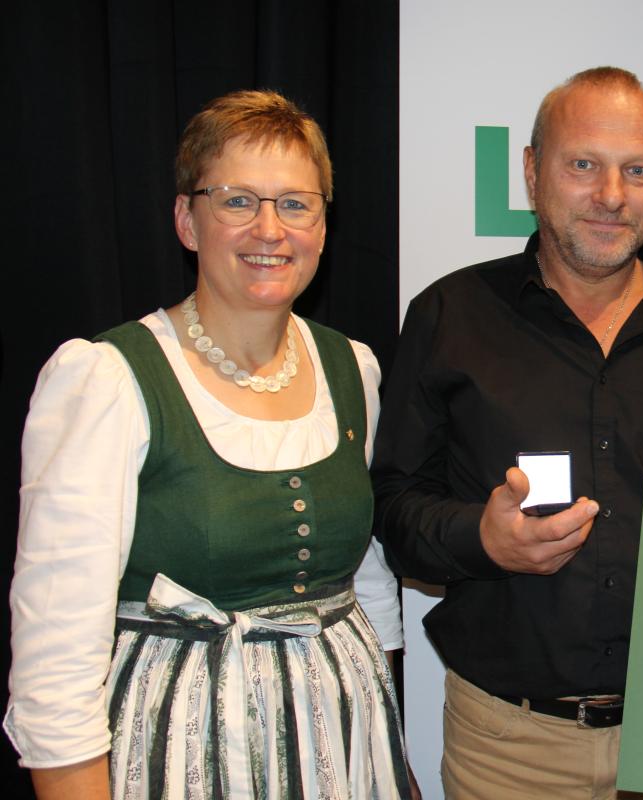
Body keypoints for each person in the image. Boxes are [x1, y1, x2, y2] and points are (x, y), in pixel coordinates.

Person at [372, 66, 643, 799]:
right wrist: (481, 538)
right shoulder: (449, 316)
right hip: (510, 748)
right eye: (583, 165)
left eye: (638, 170)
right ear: (532, 173)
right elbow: (395, 507)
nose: (612, 195)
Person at [5, 90, 413, 799]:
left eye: (295, 204)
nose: (269, 229)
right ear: (186, 220)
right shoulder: (107, 379)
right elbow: (55, 650)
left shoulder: (354, 368)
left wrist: (387, 749)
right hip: (179, 742)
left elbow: (369, 581)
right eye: (236, 201)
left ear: (322, 225)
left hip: (342, 738)